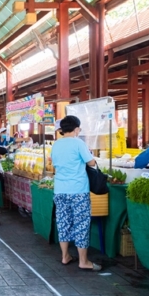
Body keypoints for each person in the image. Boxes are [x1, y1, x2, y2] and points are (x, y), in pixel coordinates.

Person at [52, 115, 101, 271]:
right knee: (81, 224)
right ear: (77, 129)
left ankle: (65, 256)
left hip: (60, 190)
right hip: (78, 190)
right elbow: (91, 162)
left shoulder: (56, 145)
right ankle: (83, 261)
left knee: (63, 222)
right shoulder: (78, 143)